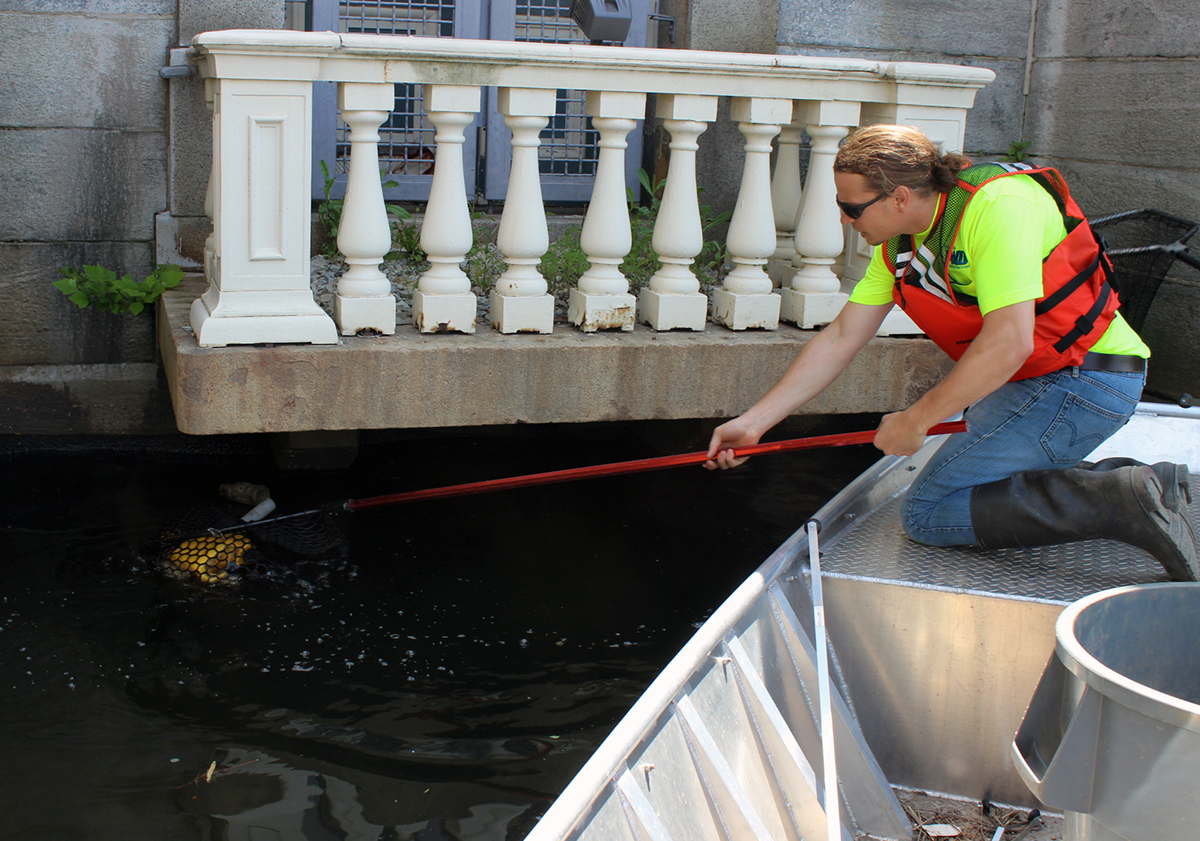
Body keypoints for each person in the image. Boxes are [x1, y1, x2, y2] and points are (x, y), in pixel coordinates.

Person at [706, 124, 1197, 581]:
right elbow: (841, 337)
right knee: (960, 491)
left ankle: (1123, 498)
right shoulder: (899, 245)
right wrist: (756, 422)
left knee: (928, 513)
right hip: (1033, 384)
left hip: (1085, 381)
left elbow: (1010, 341)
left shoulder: (1000, 207)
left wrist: (915, 420)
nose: (843, 218)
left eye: (851, 208)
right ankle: (1135, 488)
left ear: (898, 197)